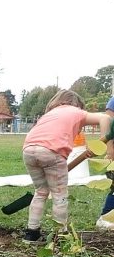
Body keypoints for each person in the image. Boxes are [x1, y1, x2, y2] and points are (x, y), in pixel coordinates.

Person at [22, 90, 112, 242]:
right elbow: (106, 118)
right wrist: (105, 146)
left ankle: (31, 233)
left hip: (28, 151)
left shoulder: (49, 114)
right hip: (52, 152)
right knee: (59, 194)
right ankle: (60, 234)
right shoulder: (77, 112)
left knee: (41, 191)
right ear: (77, 104)